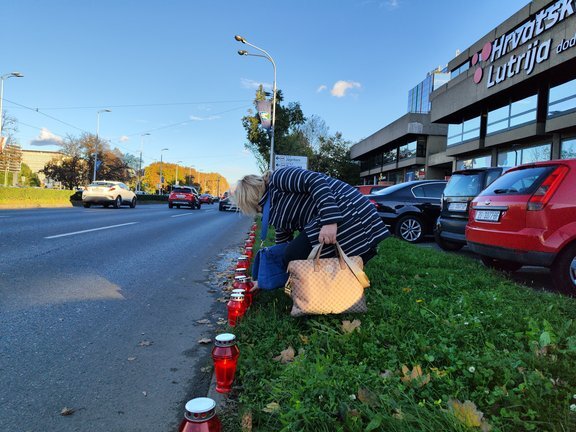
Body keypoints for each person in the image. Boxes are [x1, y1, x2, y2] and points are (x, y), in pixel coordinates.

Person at [233, 167, 390, 289]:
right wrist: (263, 281)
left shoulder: (278, 178)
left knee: (295, 254)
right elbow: (282, 242)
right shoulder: (272, 209)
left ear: (249, 198)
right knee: (292, 255)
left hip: (347, 209)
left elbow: (315, 180)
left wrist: (330, 220)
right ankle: (339, 287)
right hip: (330, 217)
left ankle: (328, 288)